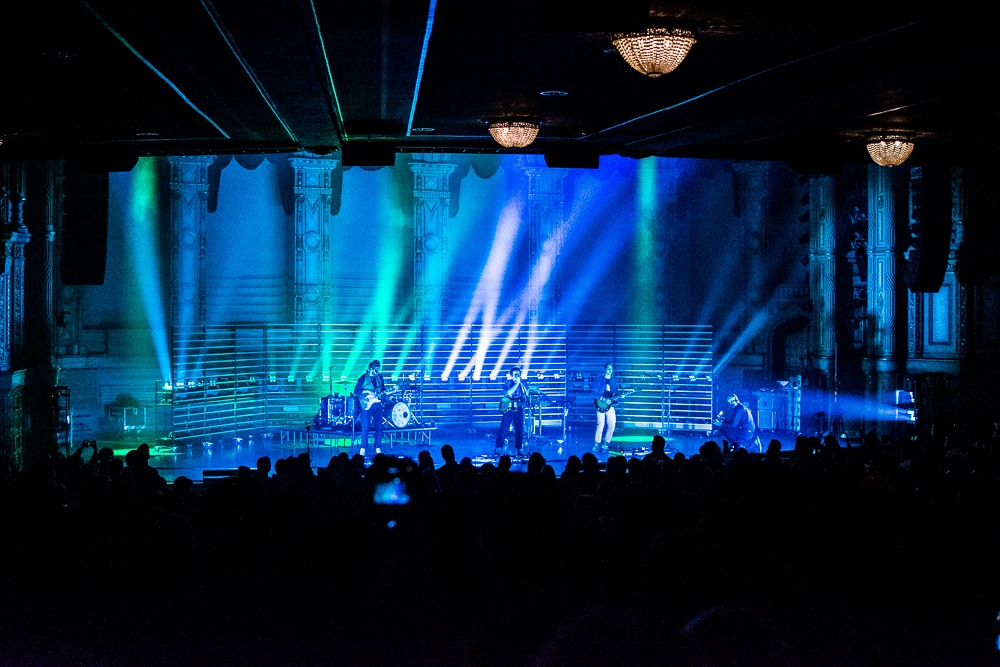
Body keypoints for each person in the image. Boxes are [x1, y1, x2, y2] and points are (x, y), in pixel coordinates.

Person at [354, 359, 386, 456]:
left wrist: (391, 391)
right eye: (375, 369)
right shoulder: (363, 378)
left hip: (378, 404)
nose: (377, 370)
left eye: (378, 368)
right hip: (367, 404)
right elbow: (356, 391)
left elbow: (383, 390)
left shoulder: (380, 377)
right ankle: (363, 448)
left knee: (379, 426)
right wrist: (367, 392)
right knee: (366, 427)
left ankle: (378, 447)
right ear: (371, 368)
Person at [496, 367, 528, 456]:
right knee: (504, 428)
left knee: (519, 429)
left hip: (519, 407)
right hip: (509, 407)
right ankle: (498, 448)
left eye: (518, 374)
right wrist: (517, 383)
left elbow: (526, 394)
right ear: (511, 375)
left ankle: (519, 448)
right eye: (515, 374)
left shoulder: (522, 383)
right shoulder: (508, 383)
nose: (517, 376)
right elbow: (509, 393)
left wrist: (521, 384)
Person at [591, 363, 619, 453]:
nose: (610, 370)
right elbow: (594, 392)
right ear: (604, 370)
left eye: (611, 368)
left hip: (610, 406)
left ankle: (606, 443)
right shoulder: (599, 380)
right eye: (608, 368)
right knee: (601, 424)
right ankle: (597, 444)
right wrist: (603, 399)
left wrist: (618, 397)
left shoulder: (614, 381)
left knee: (612, 424)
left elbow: (615, 393)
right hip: (600, 404)